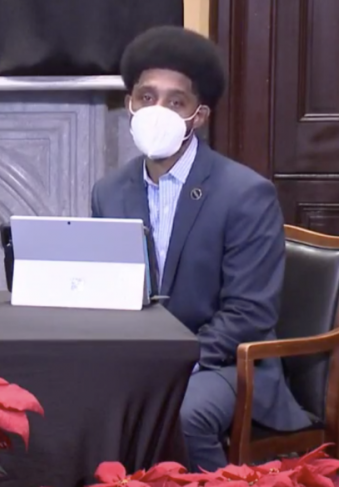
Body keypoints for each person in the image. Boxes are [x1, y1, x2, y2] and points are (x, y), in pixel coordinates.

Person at [91, 26, 311, 471]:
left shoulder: (245, 193)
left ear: (200, 115)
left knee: (182, 414)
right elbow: (106, 289)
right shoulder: (109, 191)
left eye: (175, 102)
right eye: (146, 97)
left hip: (226, 364)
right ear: (130, 104)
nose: (157, 111)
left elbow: (250, 313)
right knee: (80, 399)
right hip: (143, 358)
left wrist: (175, 361)